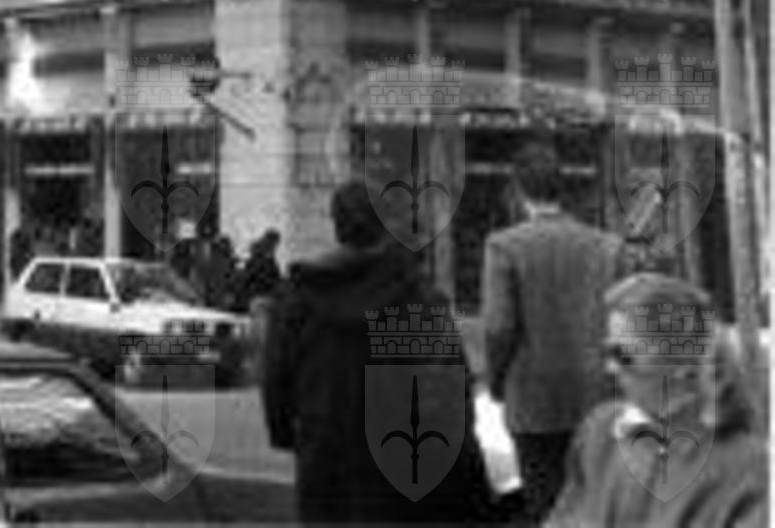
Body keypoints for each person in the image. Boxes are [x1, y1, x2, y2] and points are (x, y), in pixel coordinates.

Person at [260, 181, 489, 524]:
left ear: (336, 226)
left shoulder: (298, 296)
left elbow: (275, 377)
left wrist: (285, 433)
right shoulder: (415, 295)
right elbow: (448, 385)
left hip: (325, 453)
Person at [545, 273, 768, 527]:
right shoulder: (599, 431)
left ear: (682, 365)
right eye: (608, 351)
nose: (610, 367)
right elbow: (565, 516)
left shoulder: (748, 470)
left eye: (623, 354)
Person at [481, 140, 623, 522]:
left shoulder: (503, 247)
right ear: (562, 190)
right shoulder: (608, 247)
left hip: (534, 402)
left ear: (518, 191)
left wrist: (496, 382)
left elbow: (499, 326)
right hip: (597, 399)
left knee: (545, 506)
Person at [241, 227, 284, 304]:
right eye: (276, 242)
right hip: (258, 292)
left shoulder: (266, 254)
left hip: (259, 289)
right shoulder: (263, 256)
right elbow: (255, 274)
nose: (276, 246)